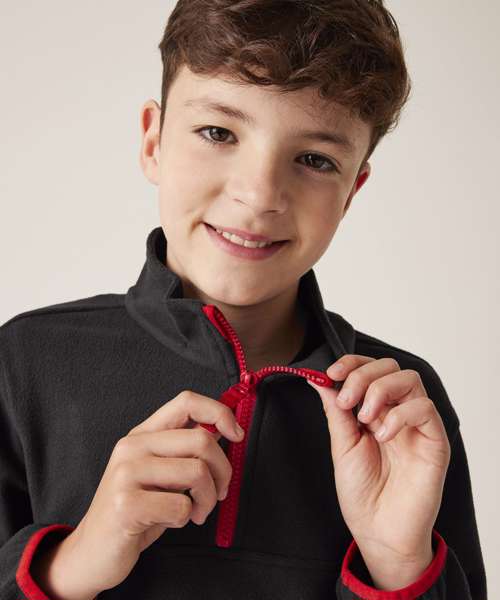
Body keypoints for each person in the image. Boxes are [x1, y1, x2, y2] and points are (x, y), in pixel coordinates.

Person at [0, 1, 487, 599]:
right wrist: (68, 565)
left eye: (314, 160)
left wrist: (397, 562)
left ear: (351, 192)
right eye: (218, 133)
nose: (259, 195)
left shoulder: (402, 411)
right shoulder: (23, 362)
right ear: (153, 141)